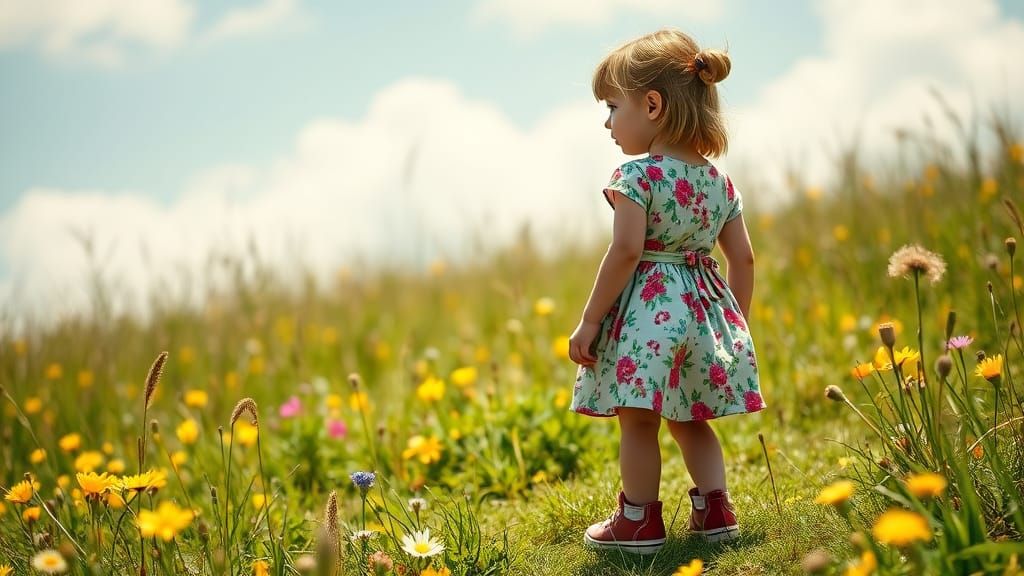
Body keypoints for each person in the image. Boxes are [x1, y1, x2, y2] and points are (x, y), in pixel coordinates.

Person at [568, 28, 765, 555]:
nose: (607, 123)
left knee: (637, 420)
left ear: (651, 105)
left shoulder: (637, 174)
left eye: (612, 107)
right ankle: (715, 509)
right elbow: (742, 258)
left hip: (648, 318)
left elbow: (628, 250)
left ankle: (638, 521)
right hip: (703, 318)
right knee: (691, 416)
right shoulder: (720, 184)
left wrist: (590, 320)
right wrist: (734, 323)